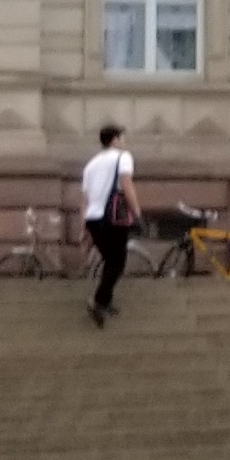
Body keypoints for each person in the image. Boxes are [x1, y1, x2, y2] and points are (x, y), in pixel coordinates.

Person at [81, 125, 138, 326]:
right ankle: (98, 301)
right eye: (122, 137)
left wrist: (84, 229)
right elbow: (126, 184)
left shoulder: (91, 165)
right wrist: (137, 210)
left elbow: (85, 200)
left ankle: (105, 302)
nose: (124, 141)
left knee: (110, 260)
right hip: (113, 218)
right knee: (117, 262)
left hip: (93, 220)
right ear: (114, 140)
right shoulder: (123, 157)